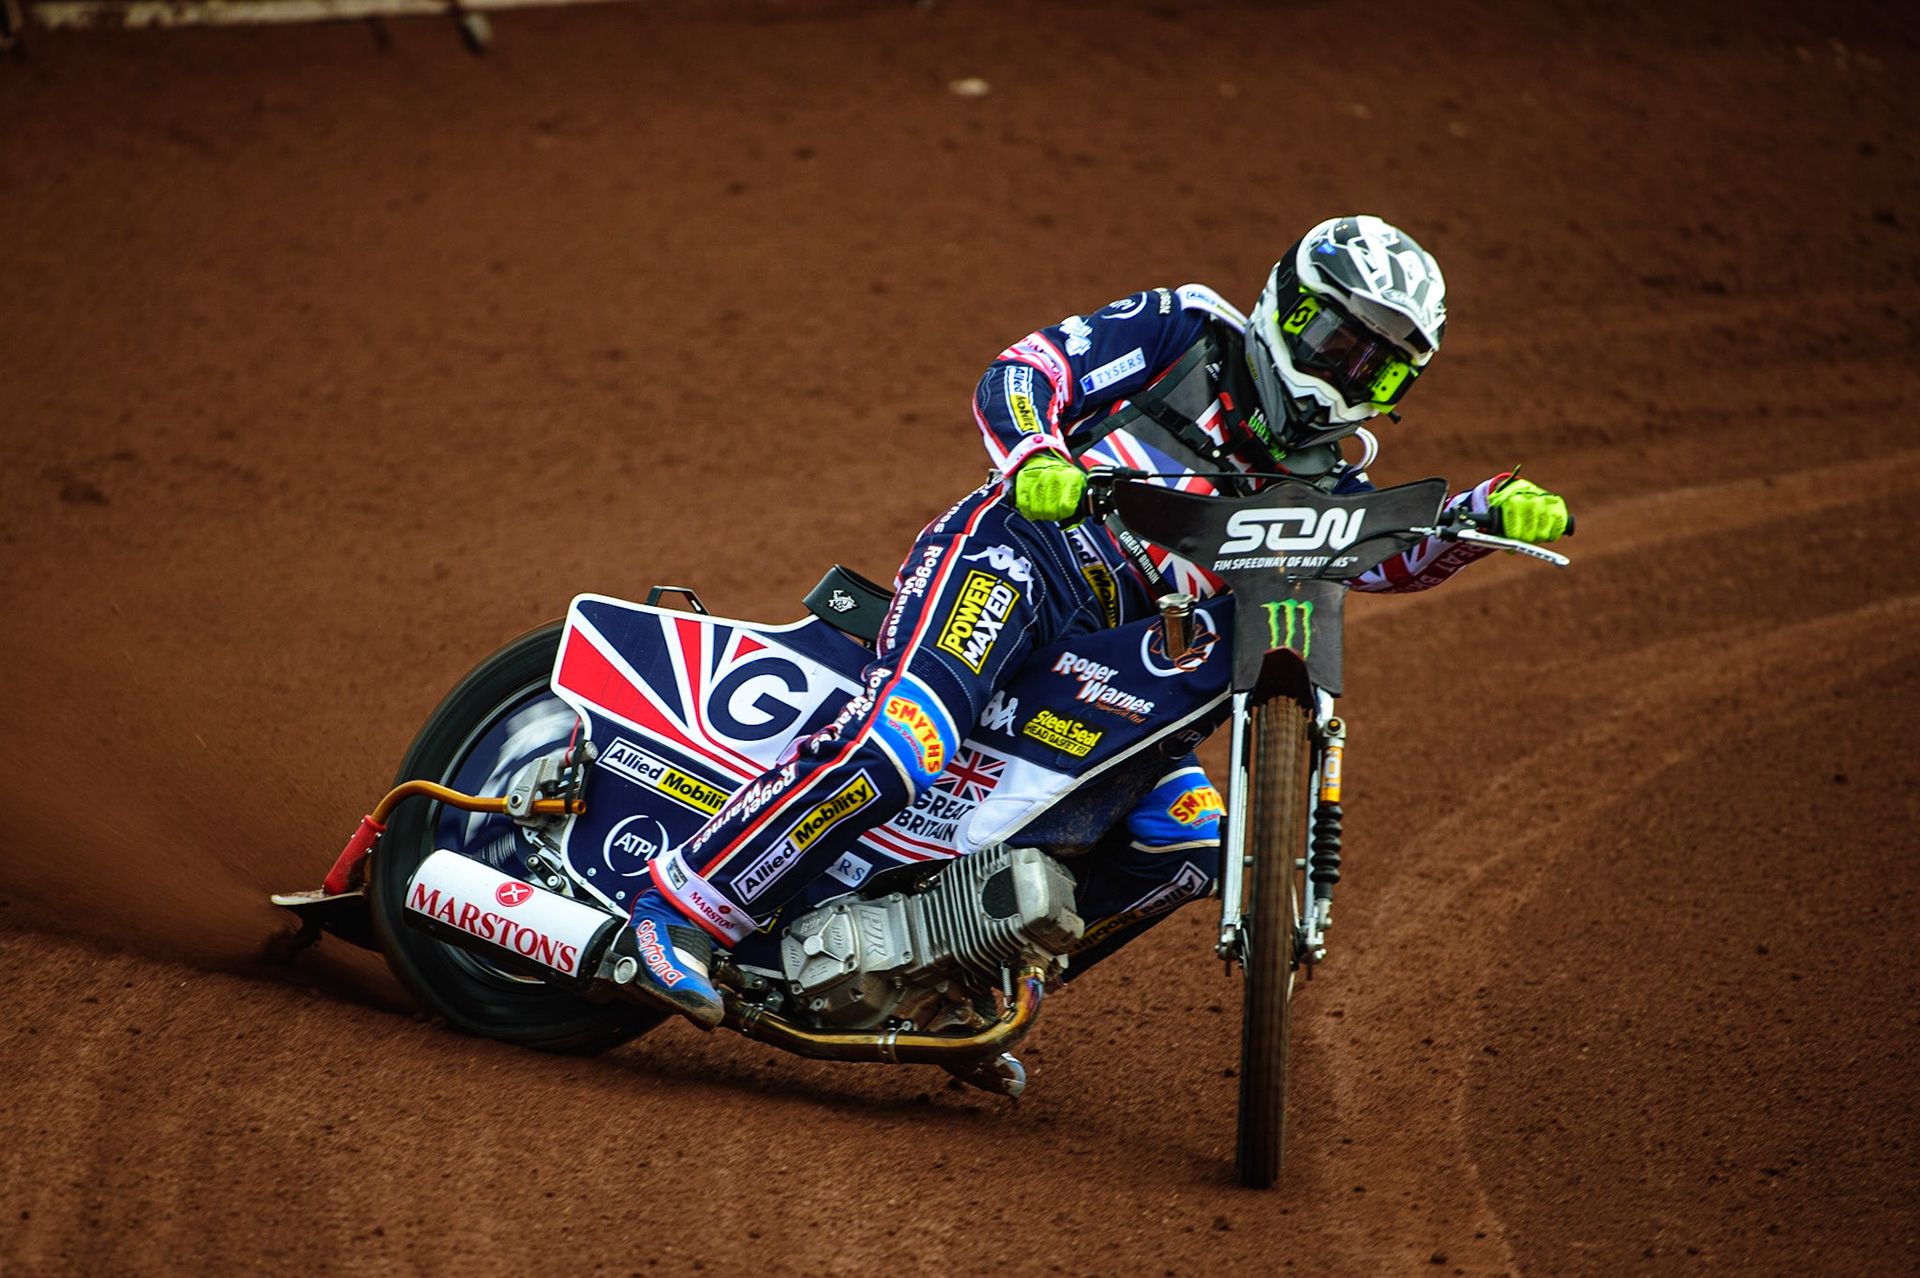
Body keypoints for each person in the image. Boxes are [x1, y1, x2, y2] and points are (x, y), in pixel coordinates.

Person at [620, 215, 1571, 1029]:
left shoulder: (1328, 482)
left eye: (1382, 368)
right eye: (1336, 341)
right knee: (904, 738)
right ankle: (679, 912)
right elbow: (1024, 369)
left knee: (1187, 842)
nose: (1349, 375)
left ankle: (958, 976)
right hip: (1017, 563)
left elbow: (1388, 558)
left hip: (1115, 659)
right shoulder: (1189, 329)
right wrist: (1038, 453)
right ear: (1286, 307)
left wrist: (1484, 516)